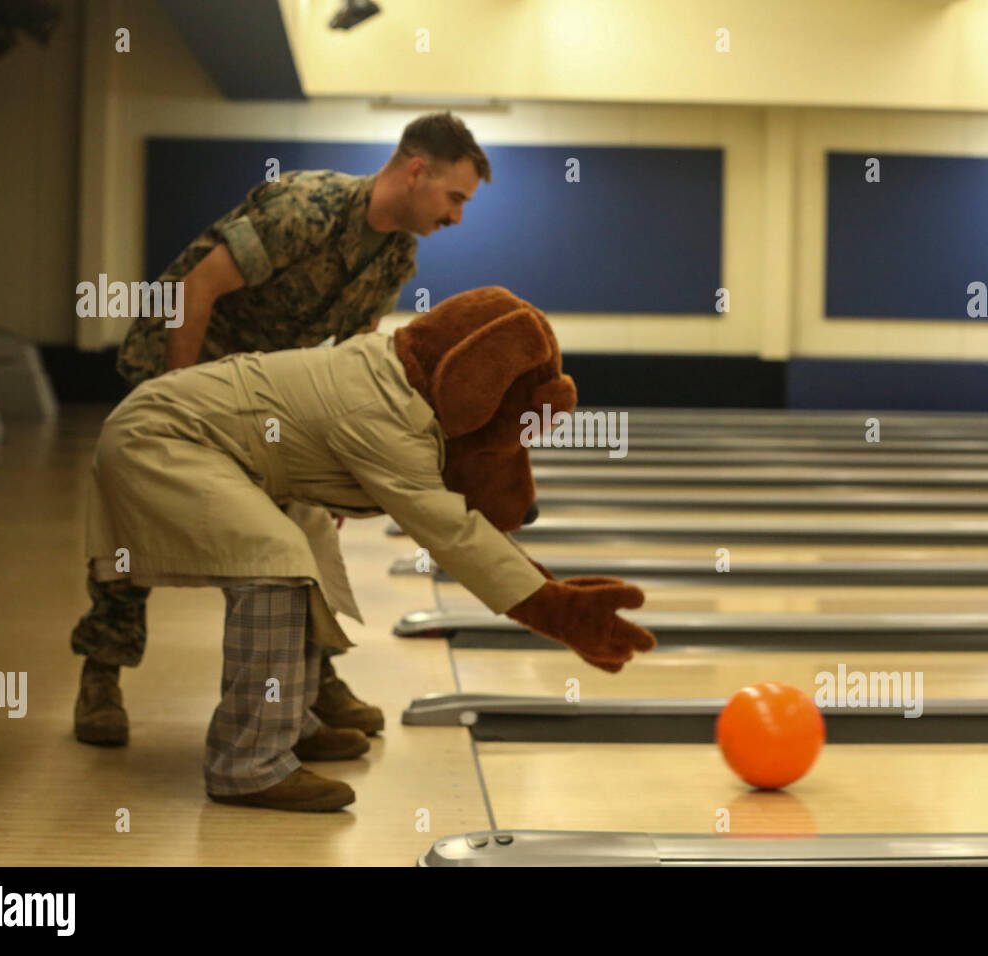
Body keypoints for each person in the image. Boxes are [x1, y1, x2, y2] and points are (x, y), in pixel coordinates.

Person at [83, 286, 655, 811]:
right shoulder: (380, 414)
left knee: (309, 543)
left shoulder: (397, 377)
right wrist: (552, 607)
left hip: (213, 444)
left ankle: (289, 719)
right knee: (276, 562)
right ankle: (247, 762)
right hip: (158, 438)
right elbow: (449, 530)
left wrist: (546, 588)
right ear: (469, 386)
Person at [72, 112, 490, 748]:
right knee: (134, 532)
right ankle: (100, 677)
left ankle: (308, 683)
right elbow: (196, 287)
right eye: (454, 197)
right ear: (414, 171)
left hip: (261, 397)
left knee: (300, 528)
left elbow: (350, 360)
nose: (456, 217)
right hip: (178, 370)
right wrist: (174, 395)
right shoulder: (307, 206)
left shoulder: (397, 255)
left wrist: (342, 467)